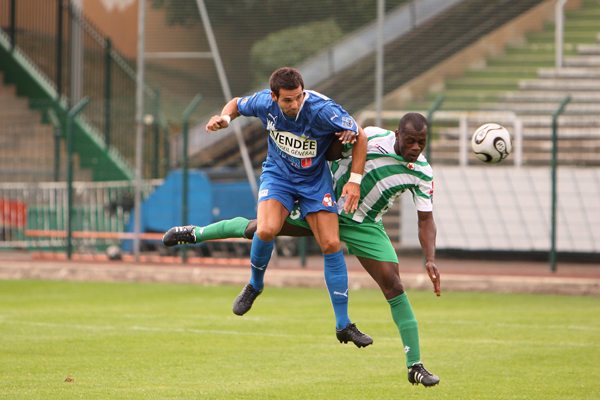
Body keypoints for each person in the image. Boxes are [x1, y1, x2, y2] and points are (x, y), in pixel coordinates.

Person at [164, 113, 441, 387]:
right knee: (260, 228)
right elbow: (331, 152)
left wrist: (430, 259)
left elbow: (425, 220)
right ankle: (195, 233)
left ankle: (414, 365)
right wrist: (342, 136)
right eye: (410, 141)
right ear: (397, 134)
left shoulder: (422, 172)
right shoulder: (371, 138)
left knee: (394, 285)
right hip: (323, 207)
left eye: (422, 142)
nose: (416, 147)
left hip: (364, 224)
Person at [199, 67, 371, 348]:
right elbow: (237, 103)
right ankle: (255, 285)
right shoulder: (264, 103)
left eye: (298, 97)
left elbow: (359, 135)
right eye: (287, 100)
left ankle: (343, 325)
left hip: (314, 180)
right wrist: (225, 118)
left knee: (331, 244)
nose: (294, 104)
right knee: (266, 229)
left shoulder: (323, 109)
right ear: (273, 97)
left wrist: (354, 181)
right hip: (279, 176)